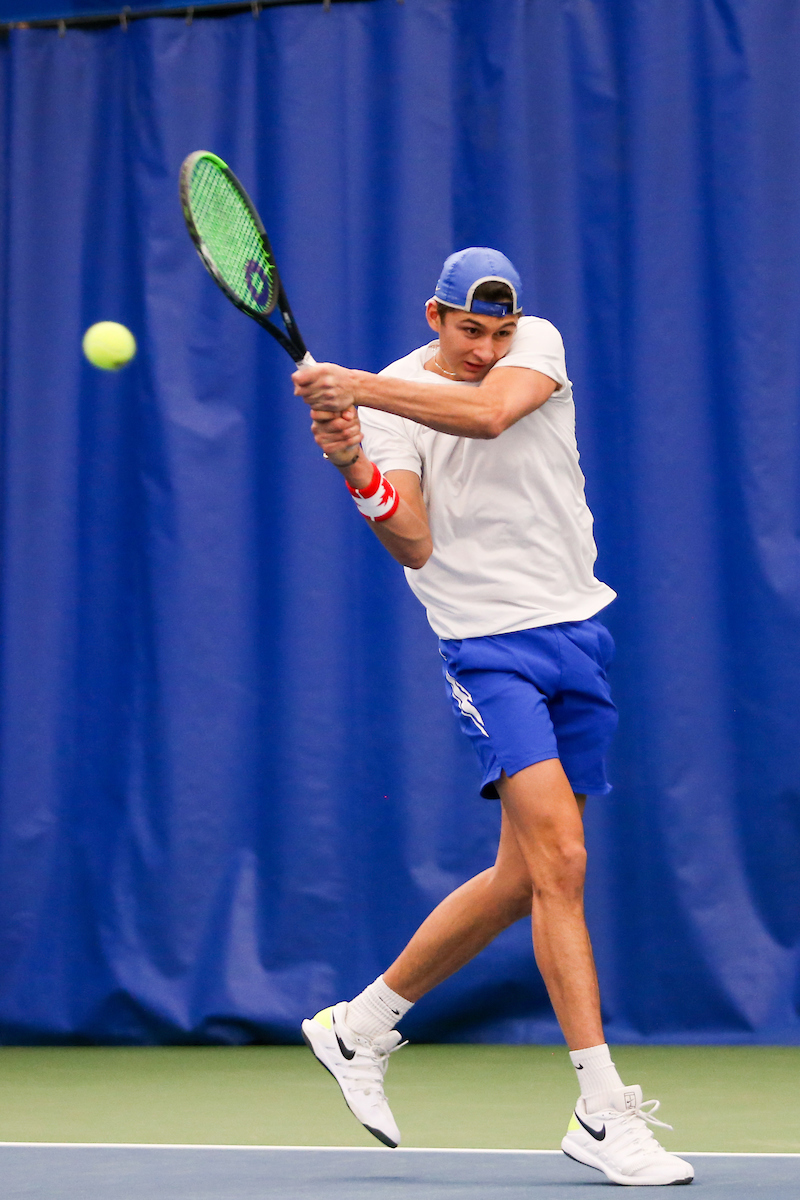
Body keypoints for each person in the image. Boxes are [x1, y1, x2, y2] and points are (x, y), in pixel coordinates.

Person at [293, 248, 693, 1187]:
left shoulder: (532, 351)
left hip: (578, 633)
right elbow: (413, 540)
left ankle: (359, 1027)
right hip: (487, 648)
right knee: (563, 862)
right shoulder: (393, 392)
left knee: (524, 880)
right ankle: (601, 1111)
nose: (485, 348)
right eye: (469, 329)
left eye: (499, 331)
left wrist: (356, 393)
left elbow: (489, 415)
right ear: (435, 315)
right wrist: (354, 459)